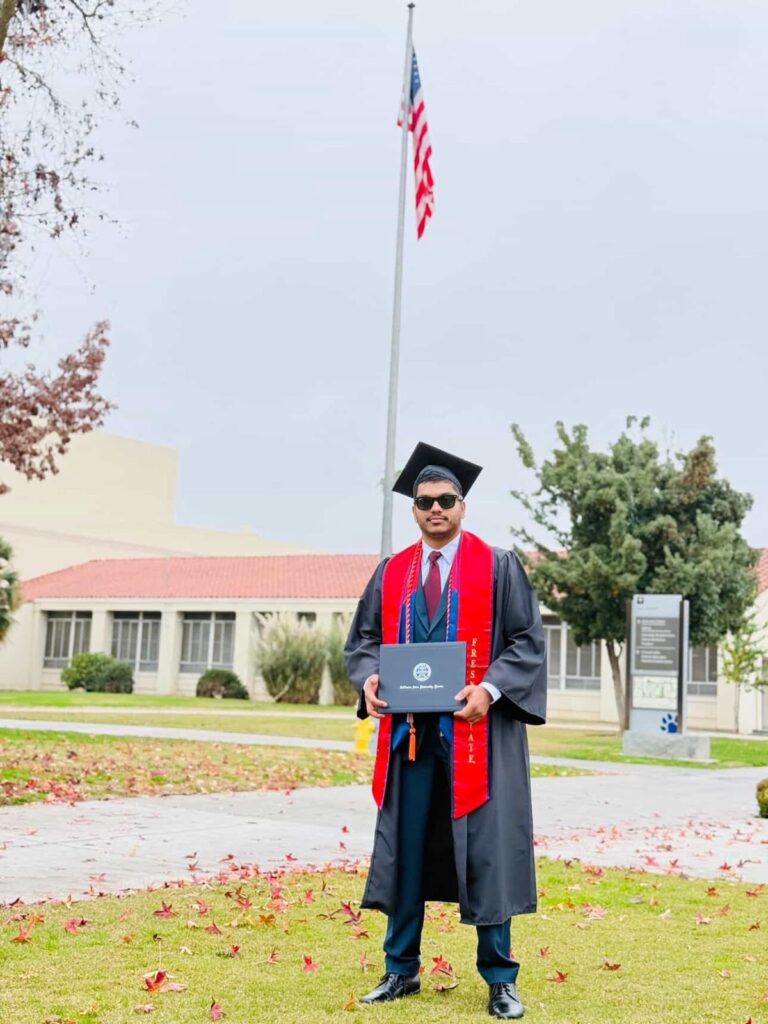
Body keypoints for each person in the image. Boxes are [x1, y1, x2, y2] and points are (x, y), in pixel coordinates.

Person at [344, 442, 547, 1020]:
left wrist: (490, 690)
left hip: (477, 738)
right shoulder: (392, 572)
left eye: (446, 500)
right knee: (405, 848)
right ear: (414, 508)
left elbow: (526, 642)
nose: (436, 508)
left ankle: (500, 979)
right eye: (425, 500)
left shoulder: (499, 566)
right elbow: (363, 641)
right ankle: (399, 969)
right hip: (409, 739)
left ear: (463, 505)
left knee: (486, 853)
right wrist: (369, 679)